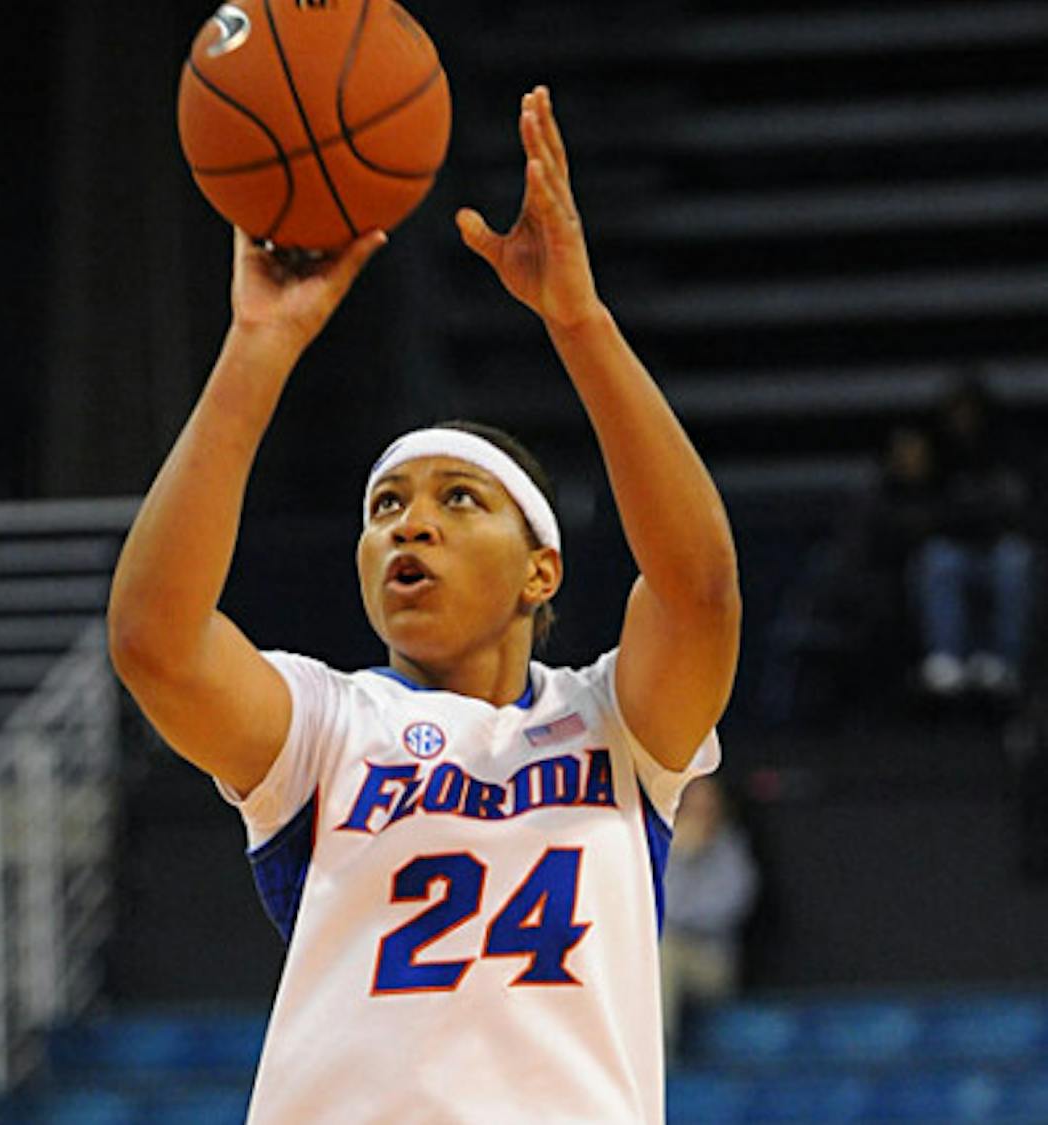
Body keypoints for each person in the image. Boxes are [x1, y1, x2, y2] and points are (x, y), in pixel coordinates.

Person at [109, 87, 740, 1124]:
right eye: (386, 506)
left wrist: (577, 321)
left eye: (458, 500)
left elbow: (700, 587)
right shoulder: (327, 728)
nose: (410, 524)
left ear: (542, 570)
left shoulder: (618, 727)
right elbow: (154, 642)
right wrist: (258, 345)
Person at [911, 376, 1035, 699]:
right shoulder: (937, 453)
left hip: (997, 546)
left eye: (968, 411)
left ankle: (1004, 660)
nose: (962, 419)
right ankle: (946, 658)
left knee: (1015, 562)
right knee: (938, 559)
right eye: (956, 412)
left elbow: (1018, 506)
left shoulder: (1006, 449)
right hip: (955, 546)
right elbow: (926, 510)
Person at [659, 776, 759, 1060]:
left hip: (711, 961)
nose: (700, 809)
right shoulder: (666, 844)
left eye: (707, 803)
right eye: (694, 803)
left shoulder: (729, 849)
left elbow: (727, 907)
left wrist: (691, 860)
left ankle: (661, 1049)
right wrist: (678, 857)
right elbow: (649, 904)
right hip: (667, 954)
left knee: (664, 949)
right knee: (659, 950)